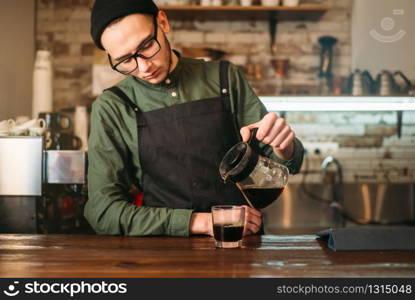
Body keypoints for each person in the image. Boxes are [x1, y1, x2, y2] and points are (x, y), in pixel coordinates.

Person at [85, 0, 304, 237]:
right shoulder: (112, 107)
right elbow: (102, 212)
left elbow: (284, 166)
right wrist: (200, 222)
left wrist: (284, 146)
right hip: (160, 255)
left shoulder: (224, 78)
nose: (143, 66)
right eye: (125, 60)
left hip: (239, 245)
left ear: (162, 22)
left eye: (147, 45)